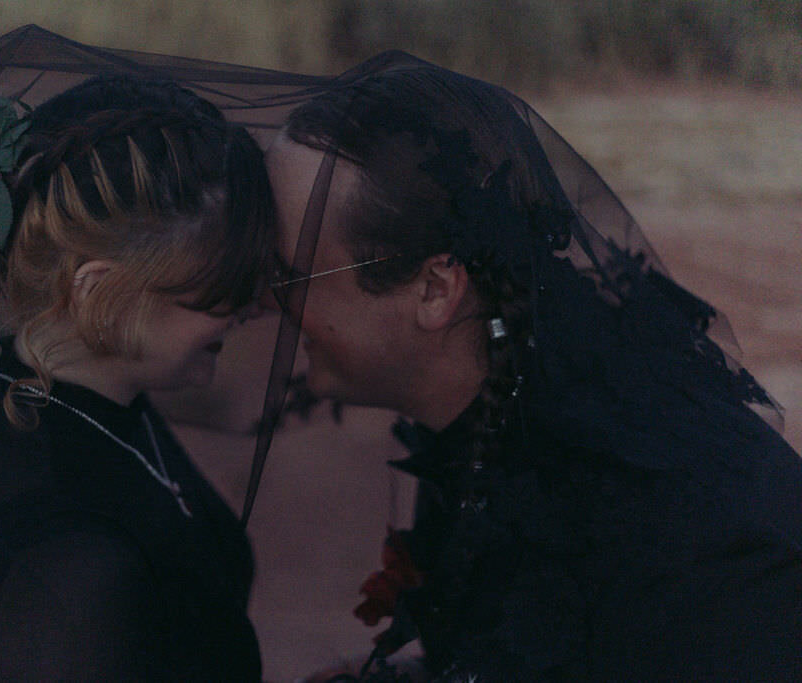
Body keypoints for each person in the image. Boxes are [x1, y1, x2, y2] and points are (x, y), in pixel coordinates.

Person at [262, 62, 802, 680]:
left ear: (436, 288)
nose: (260, 301)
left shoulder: (674, 525)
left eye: (288, 273)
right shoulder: (496, 421)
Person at [0, 31, 279, 679]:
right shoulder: (67, 557)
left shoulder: (93, 400)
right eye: (222, 288)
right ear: (98, 294)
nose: (257, 305)